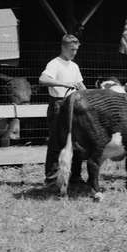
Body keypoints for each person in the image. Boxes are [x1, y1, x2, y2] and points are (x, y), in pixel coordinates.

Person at [39, 34, 86, 184]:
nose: (74, 53)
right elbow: (42, 79)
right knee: (56, 142)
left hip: (75, 105)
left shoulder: (74, 66)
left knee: (77, 140)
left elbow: (80, 85)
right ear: (63, 47)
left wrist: (88, 95)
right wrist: (64, 84)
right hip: (59, 105)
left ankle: (76, 176)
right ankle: (51, 178)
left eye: (76, 50)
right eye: (72, 49)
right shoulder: (54, 63)